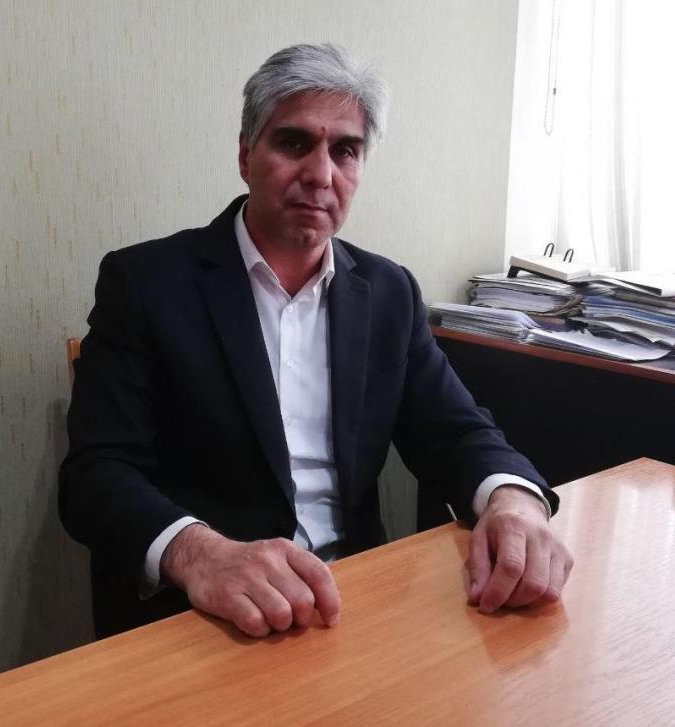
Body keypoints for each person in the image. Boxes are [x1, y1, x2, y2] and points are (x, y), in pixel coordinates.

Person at [60, 43, 573, 640]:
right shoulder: (146, 284)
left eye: (345, 151)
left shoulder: (389, 292)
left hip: (353, 605)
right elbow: (96, 474)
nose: (320, 175)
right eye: (294, 142)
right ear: (246, 154)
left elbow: (456, 431)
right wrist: (201, 555)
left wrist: (513, 500)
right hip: (208, 617)